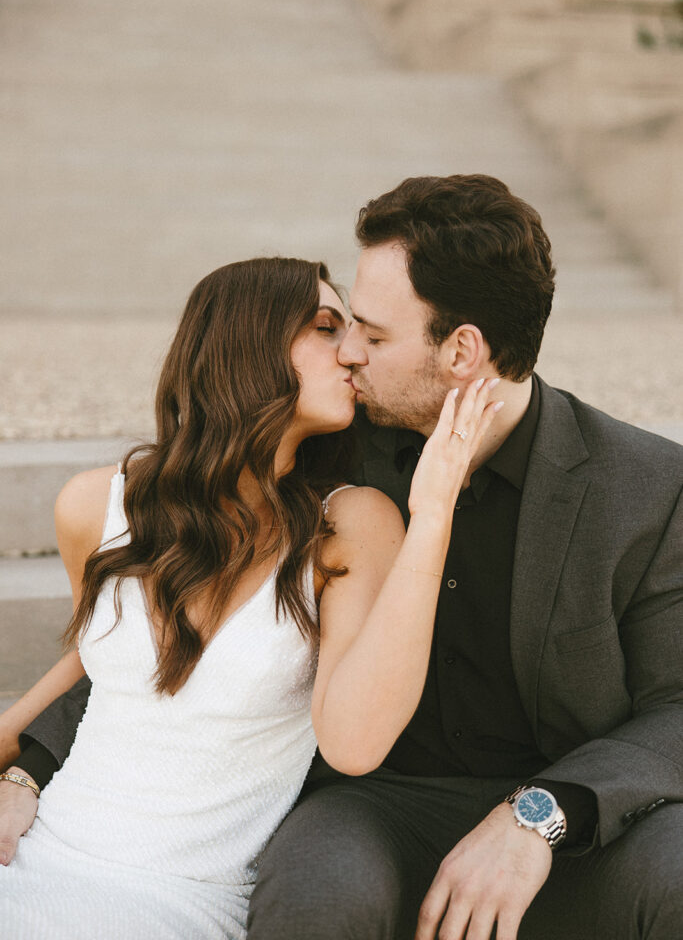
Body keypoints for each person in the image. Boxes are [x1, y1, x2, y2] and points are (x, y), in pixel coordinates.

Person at [5, 173, 683, 939]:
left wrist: (541, 814)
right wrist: (32, 765)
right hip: (381, 805)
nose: (351, 352)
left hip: (573, 811)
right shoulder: (327, 451)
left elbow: (677, 704)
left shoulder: (644, 488)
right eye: (340, 327)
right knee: (313, 890)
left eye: (373, 333)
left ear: (461, 350)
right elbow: (172, 609)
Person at [0, 253, 502, 939]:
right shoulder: (95, 505)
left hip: (181, 899)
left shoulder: (350, 526)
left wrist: (435, 509)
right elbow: (91, 671)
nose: (353, 352)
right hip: (35, 855)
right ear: (245, 342)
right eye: (326, 327)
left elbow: (354, 744)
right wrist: (21, 775)